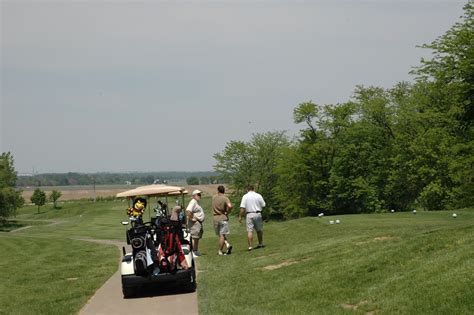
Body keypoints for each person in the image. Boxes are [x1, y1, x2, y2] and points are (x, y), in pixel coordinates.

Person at [239, 185, 265, 251]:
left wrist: (240, 217)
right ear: (254, 189)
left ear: (247, 189)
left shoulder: (245, 196)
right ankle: (260, 243)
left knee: (249, 230)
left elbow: (242, 208)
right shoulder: (258, 195)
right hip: (257, 213)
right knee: (259, 230)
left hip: (249, 214)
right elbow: (263, 205)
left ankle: (250, 246)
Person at [212, 185, 233, 256]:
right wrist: (228, 212)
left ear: (218, 190)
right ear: (224, 191)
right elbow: (230, 206)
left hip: (215, 218)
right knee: (222, 235)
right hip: (223, 217)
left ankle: (227, 245)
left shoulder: (214, 198)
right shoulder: (225, 198)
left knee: (220, 235)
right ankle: (220, 250)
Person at [186, 189, 205, 256]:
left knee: (196, 237)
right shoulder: (193, 201)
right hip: (195, 223)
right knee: (194, 237)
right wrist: (192, 218)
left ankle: (195, 251)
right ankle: (194, 252)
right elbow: (188, 211)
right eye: (198, 194)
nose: (200, 196)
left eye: (200, 194)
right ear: (194, 196)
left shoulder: (195, 202)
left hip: (198, 222)